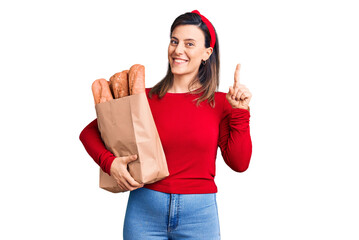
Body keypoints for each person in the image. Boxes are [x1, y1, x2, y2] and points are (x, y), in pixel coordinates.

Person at [79, 10, 252, 240]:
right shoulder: (143, 98)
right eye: (174, 41)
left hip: (199, 217)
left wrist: (240, 112)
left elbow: (239, 163)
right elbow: (89, 132)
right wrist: (110, 164)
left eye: (189, 44)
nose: (178, 50)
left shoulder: (221, 103)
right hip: (144, 212)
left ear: (207, 53)